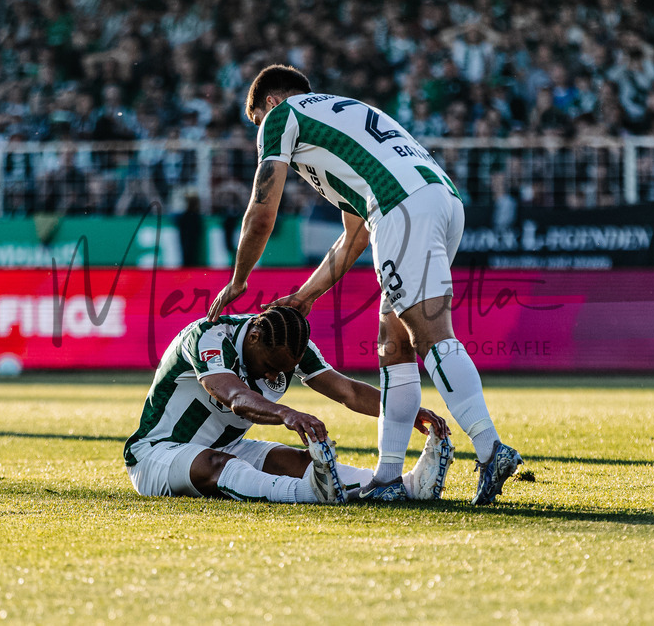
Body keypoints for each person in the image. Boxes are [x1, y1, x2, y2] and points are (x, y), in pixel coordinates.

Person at [208, 65, 522, 505]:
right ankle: (388, 476)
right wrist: (306, 295)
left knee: (430, 335)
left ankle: (491, 450)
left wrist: (239, 279)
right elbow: (355, 234)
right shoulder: (343, 117)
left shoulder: (282, 117)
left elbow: (262, 211)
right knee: (394, 342)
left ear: (271, 104)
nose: (262, 133)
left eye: (258, 122)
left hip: (400, 207)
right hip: (440, 201)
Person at [124, 306, 453, 504]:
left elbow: (348, 391)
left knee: (298, 461)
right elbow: (235, 397)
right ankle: (310, 495)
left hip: (229, 445)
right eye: (269, 365)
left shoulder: (289, 344)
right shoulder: (208, 337)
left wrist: (403, 411)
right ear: (253, 337)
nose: (272, 374)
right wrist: (287, 413)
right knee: (217, 465)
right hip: (156, 453)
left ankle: (408, 486)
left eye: (282, 370)